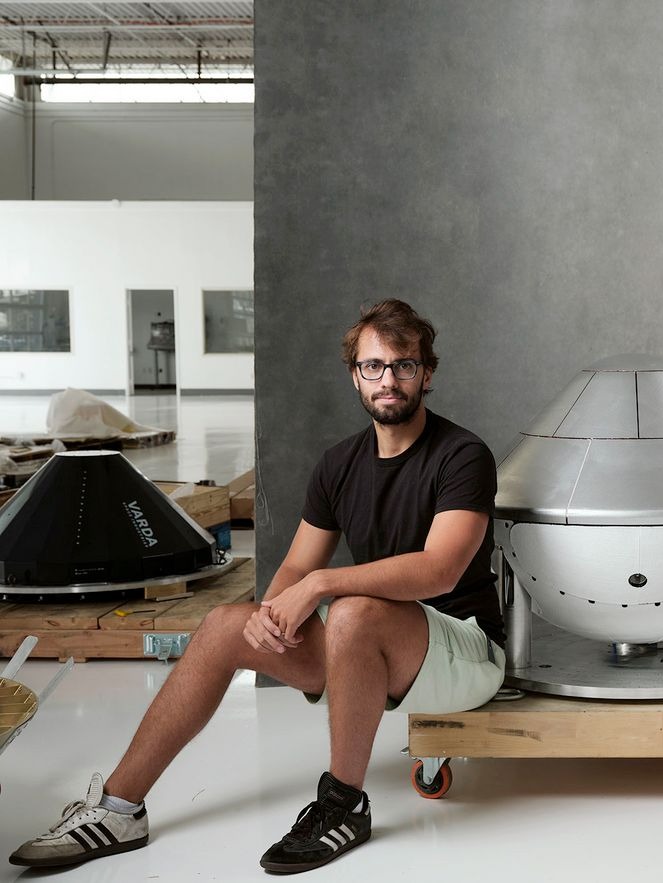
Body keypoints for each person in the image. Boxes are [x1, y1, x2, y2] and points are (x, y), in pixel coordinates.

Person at [10, 299, 505, 873]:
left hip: (464, 650)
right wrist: (272, 615)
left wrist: (320, 586)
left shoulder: (463, 454)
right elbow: (297, 566)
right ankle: (120, 808)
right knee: (224, 624)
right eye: (374, 366)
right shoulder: (339, 463)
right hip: (371, 649)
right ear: (355, 375)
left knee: (352, 610)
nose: (388, 379)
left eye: (404, 365)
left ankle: (343, 806)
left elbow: (438, 570)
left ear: (427, 373)